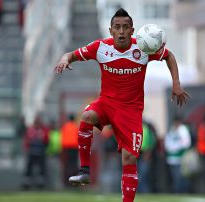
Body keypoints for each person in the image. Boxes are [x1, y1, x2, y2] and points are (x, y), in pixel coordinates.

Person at [54, 8, 189, 202]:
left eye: (126, 27)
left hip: (131, 111)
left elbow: (169, 56)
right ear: (111, 30)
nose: (122, 31)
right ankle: (84, 170)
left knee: (129, 158)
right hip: (107, 103)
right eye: (117, 27)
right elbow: (71, 55)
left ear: (132, 30)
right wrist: (64, 58)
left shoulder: (143, 48)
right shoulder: (100, 47)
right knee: (86, 117)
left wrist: (176, 83)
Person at [164, 115, 191, 193]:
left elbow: (186, 143)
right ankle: (177, 190)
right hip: (171, 158)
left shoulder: (183, 130)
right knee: (174, 176)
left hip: (180, 157)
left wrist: (175, 147)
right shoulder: (171, 129)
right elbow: (168, 143)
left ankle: (180, 191)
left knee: (180, 176)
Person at [22, 115, 49, 189]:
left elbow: (46, 140)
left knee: (41, 169)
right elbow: (27, 140)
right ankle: (26, 184)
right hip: (32, 152)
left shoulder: (43, 129)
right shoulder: (31, 129)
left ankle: (41, 184)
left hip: (40, 152)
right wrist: (27, 148)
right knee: (29, 169)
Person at [60, 114, 79, 187]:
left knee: (68, 164)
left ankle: (67, 181)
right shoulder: (76, 126)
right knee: (74, 164)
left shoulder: (65, 126)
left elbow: (62, 137)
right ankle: (75, 181)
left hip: (66, 148)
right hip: (74, 147)